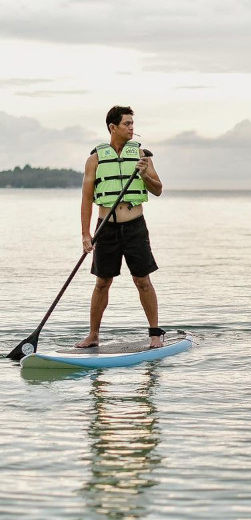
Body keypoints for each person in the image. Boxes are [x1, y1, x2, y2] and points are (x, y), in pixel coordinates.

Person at [75, 106, 164, 348]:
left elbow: (158, 189)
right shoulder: (94, 159)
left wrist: (145, 174)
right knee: (102, 282)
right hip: (106, 228)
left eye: (133, 123)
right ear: (113, 127)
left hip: (135, 227)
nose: (132, 128)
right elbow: (86, 199)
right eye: (127, 124)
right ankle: (93, 335)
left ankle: (155, 334)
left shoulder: (142, 155)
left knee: (142, 280)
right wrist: (86, 234)